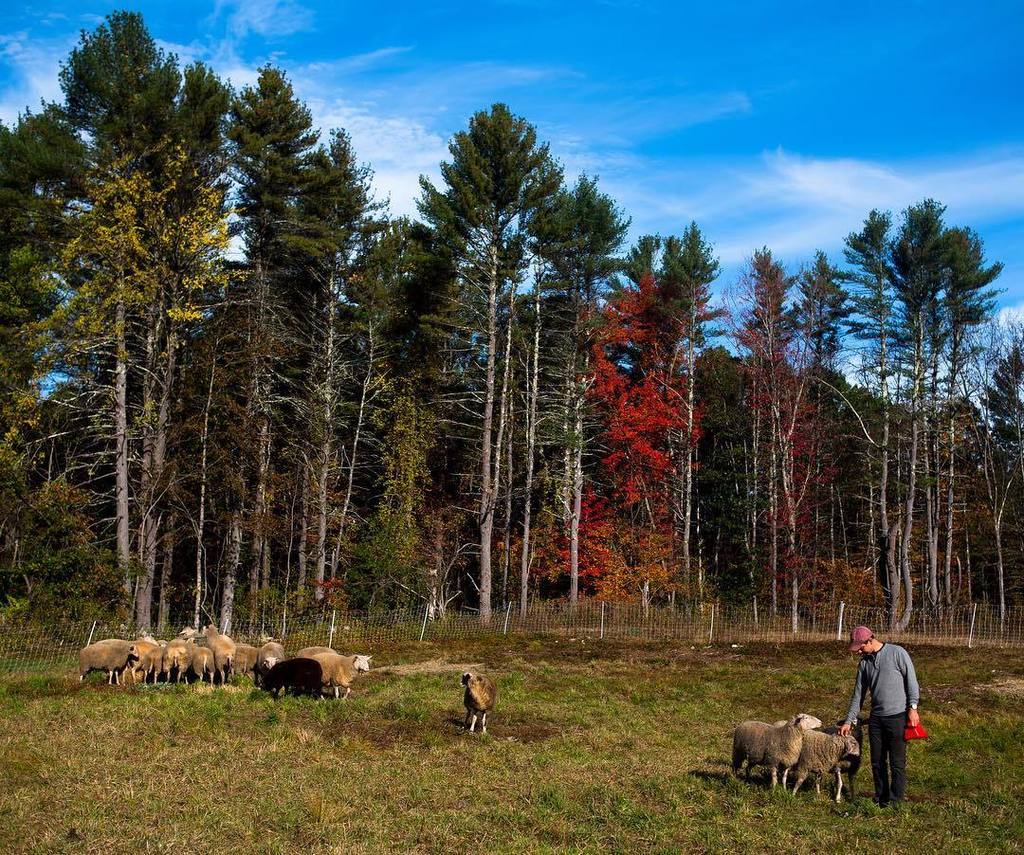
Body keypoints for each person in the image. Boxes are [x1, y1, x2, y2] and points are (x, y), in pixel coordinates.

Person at [839, 625, 920, 808]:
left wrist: (912, 708)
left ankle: (896, 800)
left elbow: (912, 682)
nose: (859, 651)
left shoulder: (897, 653)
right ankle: (881, 798)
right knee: (877, 761)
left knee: (897, 762)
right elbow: (858, 695)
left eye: (860, 647)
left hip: (898, 717)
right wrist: (848, 721)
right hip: (876, 719)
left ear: (870, 640)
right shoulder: (865, 664)